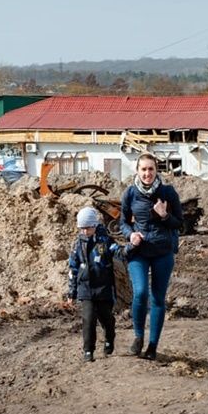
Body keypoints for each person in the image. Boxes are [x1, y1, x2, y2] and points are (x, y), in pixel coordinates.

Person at [120, 153, 183, 361]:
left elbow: (180, 223)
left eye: (151, 169)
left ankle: (152, 346)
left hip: (162, 252)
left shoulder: (167, 192)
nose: (147, 173)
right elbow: (123, 223)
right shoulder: (129, 194)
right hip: (139, 251)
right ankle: (138, 336)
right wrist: (131, 234)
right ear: (137, 171)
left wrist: (164, 215)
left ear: (157, 171)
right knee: (140, 294)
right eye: (143, 169)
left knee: (157, 299)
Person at [67, 206, 122, 362]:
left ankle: (110, 338)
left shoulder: (105, 241)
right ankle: (88, 350)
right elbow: (73, 268)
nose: (85, 231)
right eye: (82, 228)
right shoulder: (77, 245)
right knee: (88, 318)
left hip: (103, 287)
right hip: (86, 288)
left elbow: (117, 251)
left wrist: (129, 250)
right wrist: (72, 291)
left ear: (95, 225)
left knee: (106, 317)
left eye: (88, 228)